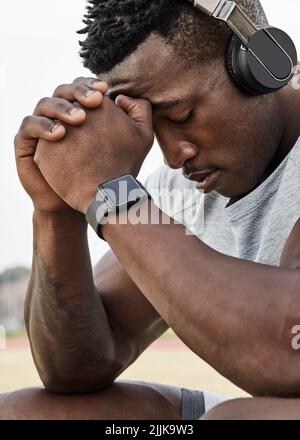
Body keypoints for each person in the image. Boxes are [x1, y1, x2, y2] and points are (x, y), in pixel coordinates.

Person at [1, 0, 300, 420]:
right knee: (21, 414)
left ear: (260, 62)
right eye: (149, 128)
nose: (175, 156)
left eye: (182, 115)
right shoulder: (180, 187)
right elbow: (77, 368)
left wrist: (113, 195)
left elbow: (288, 354)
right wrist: (59, 212)